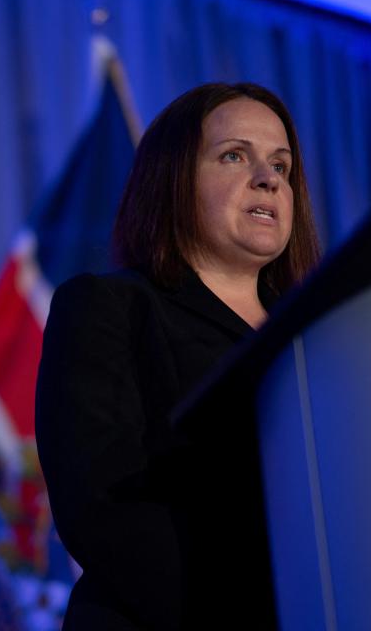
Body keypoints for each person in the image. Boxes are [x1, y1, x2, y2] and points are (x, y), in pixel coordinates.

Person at [35, 83, 321, 629]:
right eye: (234, 155)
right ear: (172, 180)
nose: (267, 178)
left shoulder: (322, 339)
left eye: (281, 167)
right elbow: (102, 501)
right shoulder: (108, 307)